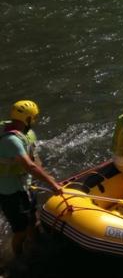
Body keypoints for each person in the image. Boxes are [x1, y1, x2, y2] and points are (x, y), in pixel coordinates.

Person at [0, 100, 62, 255]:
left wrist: (48, 175)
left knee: (33, 219)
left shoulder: (25, 134)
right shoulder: (11, 140)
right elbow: (30, 166)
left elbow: (35, 160)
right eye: (34, 118)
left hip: (25, 185)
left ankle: (36, 244)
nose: (35, 121)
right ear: (28, 119)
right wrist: (52, 183)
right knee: (20, 231)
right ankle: (18, 257)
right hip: (10, 192)